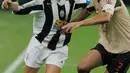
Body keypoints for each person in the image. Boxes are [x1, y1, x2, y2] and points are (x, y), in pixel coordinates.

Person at [1, 0, 91, 73]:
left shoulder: (73, 1)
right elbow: (19, 6)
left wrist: (75, 22)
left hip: (59, 47)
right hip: (39, 45)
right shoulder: (40, 1)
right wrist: (9, 4)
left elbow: (91, 5)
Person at [62, 0, 130, 73]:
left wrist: (79, 23)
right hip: (106, 45)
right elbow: (87, 10)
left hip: (125, 49)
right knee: (82, 67)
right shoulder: (96, 1)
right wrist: (70, 24)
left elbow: (106, 17)